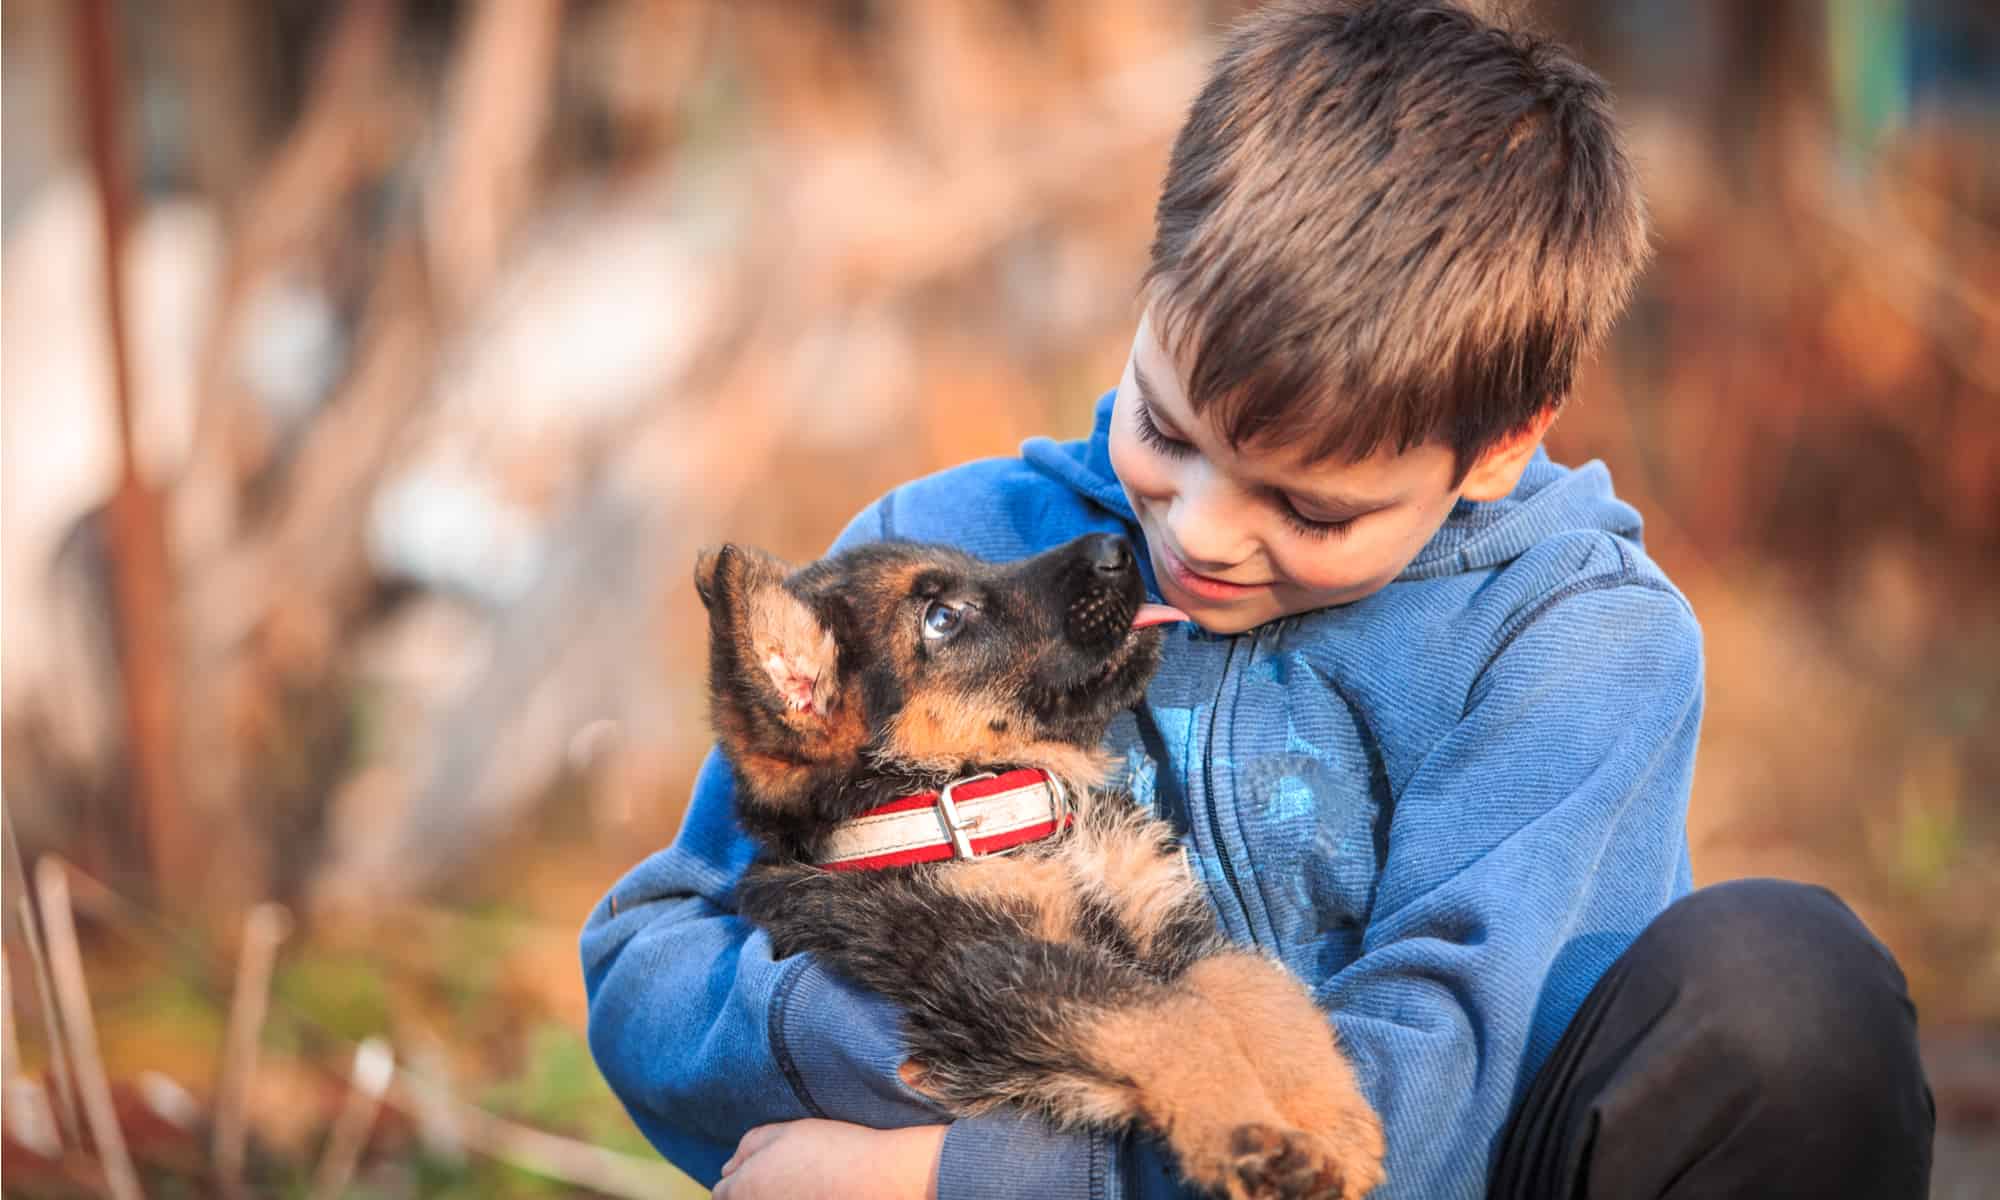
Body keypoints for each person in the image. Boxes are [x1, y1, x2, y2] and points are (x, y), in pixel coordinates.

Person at [581, 3, 1933, 1197]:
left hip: (1404, 1170)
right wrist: (930, 1031)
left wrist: (962, 1175)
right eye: (1166, 433)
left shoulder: (1579, 642)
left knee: (1786, 994)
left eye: (1313, 507)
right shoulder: (941, 553)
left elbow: (1437, 1099)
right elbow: (655, 958)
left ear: (1505, 441)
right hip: (1053, 1085)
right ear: (1149, 288)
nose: (1201, 535)